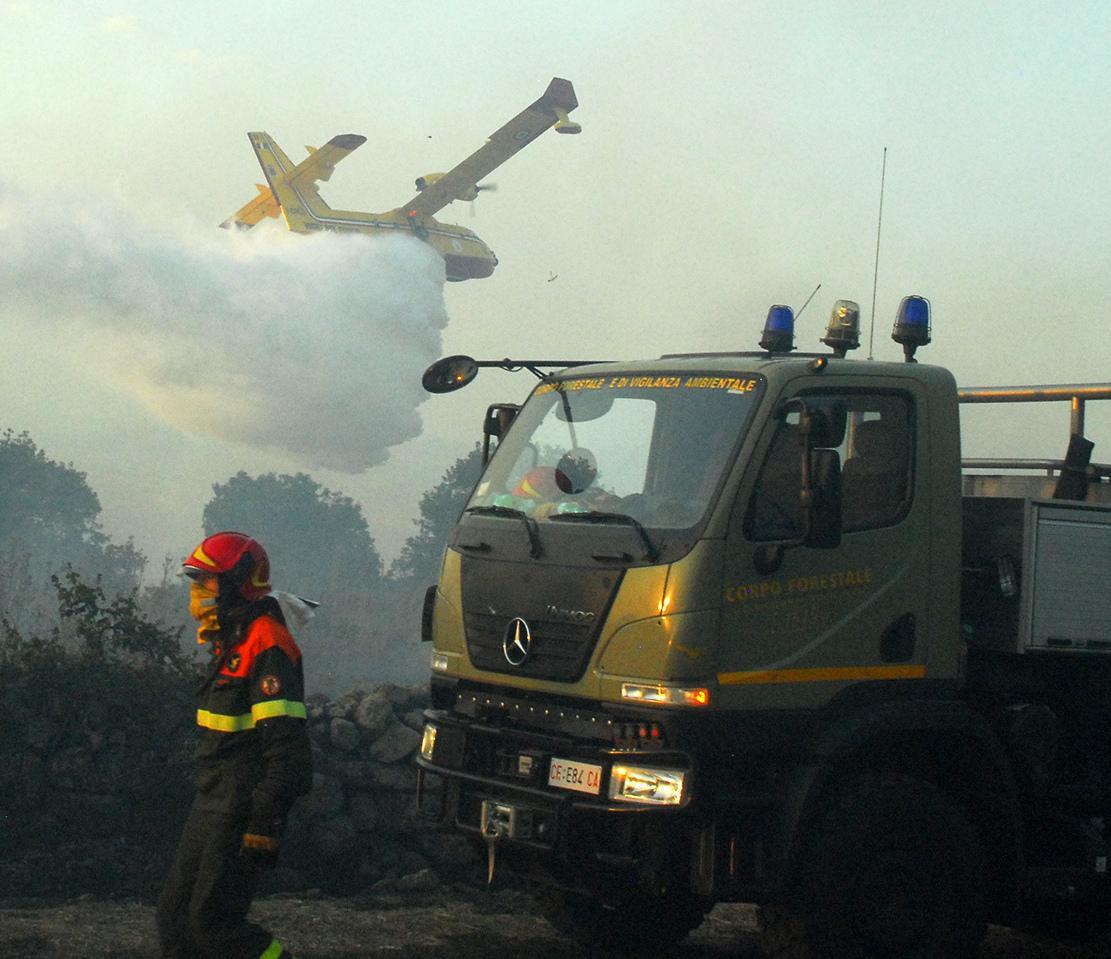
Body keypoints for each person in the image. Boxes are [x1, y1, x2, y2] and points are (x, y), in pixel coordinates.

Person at [156, 531, 313, 959]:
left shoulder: (267, 643)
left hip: (242, 805)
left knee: (215, 925)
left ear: (235, 583)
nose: (195, 595)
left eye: (204, 583)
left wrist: (265, 821)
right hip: (212, 797)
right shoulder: (233, 639)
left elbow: (288, 753)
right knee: (175, 919)